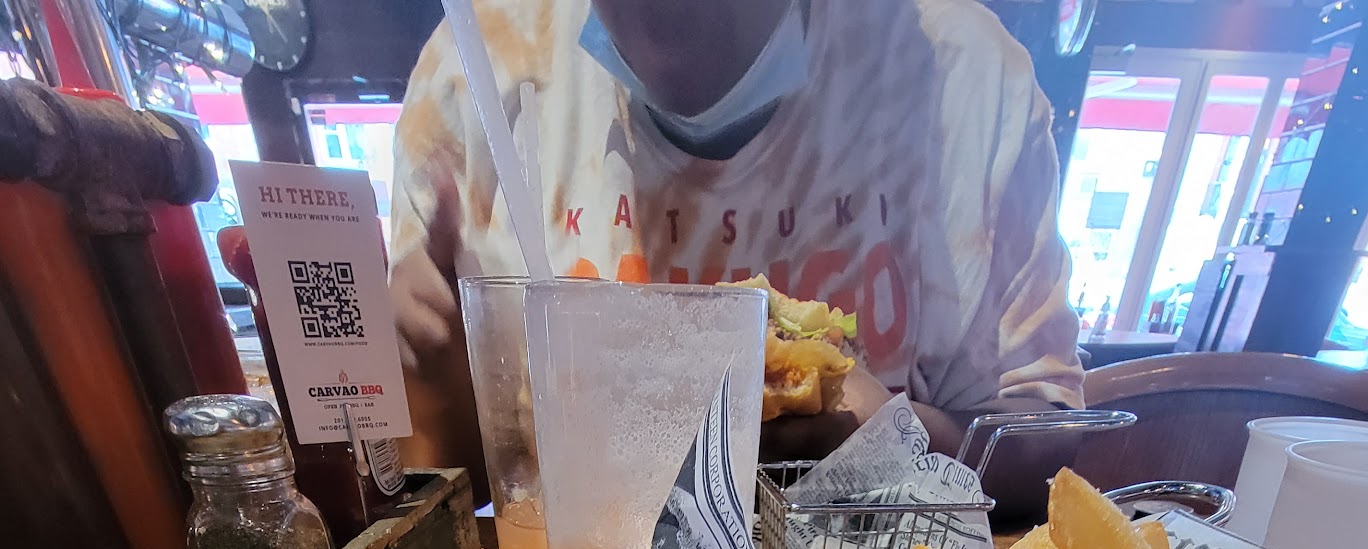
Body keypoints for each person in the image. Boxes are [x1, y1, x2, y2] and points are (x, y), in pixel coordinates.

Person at [389, 0, 1083, 485]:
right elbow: (448, 474)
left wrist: (899, 438)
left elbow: (1047, 448)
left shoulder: (969, 83)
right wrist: (435, 390)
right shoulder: (478, 74)